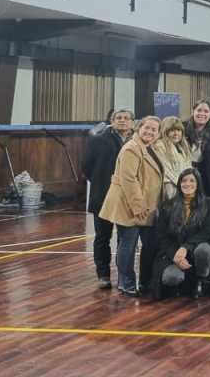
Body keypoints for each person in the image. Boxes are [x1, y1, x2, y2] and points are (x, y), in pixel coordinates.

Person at [98, 115, 162, 297]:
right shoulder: (131, 149)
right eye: (146, 128)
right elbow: (128, 180)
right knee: (128, 245)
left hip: (145, 206)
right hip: (130, 206)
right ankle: (126, 283)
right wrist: (138, 206)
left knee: (140, 245)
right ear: (138, 128)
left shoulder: (148, 148)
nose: (149, 131)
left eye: (153, 130)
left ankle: (140, 282)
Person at [83, 108, 133, 289]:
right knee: (102, 237)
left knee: (124, 238)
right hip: (102, 196)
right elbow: (87, 166)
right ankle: (103, 274)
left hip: (126, 198)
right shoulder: (98, 140)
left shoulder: (136, 141)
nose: (122, 120)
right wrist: (101, 181)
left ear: (132, 122)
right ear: (112, 120)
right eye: (118, 118)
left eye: (126, 118)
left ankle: (123, 275)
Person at [150, 168, 210, 300]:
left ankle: (200, 280)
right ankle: (184, 282)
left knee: (205, 250)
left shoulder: (208, 203)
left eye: (192, 181)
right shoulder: (167, 205)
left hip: (194, 250)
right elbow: (162, 237)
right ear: (179, 183)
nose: (187, 184)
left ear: (198, 184)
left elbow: (207, 231)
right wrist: (175, 255)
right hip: (173, 253)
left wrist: (186, 247)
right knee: (171, 278)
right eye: (184, 181)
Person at [150, 116, 194, 202]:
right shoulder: (159, 146)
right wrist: (182, 183)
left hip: (184, 187)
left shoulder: (183, 147)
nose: (176, 133)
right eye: (172, 130)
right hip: (170, 188)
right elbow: (166, 169)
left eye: (178, 130)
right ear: (165, 131)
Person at [184, 100, 210, 171]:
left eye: (206, 111)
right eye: (199, 110)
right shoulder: (182, 128)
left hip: (206, 172)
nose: (202, 113)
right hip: (183, 169)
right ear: (193, 112)